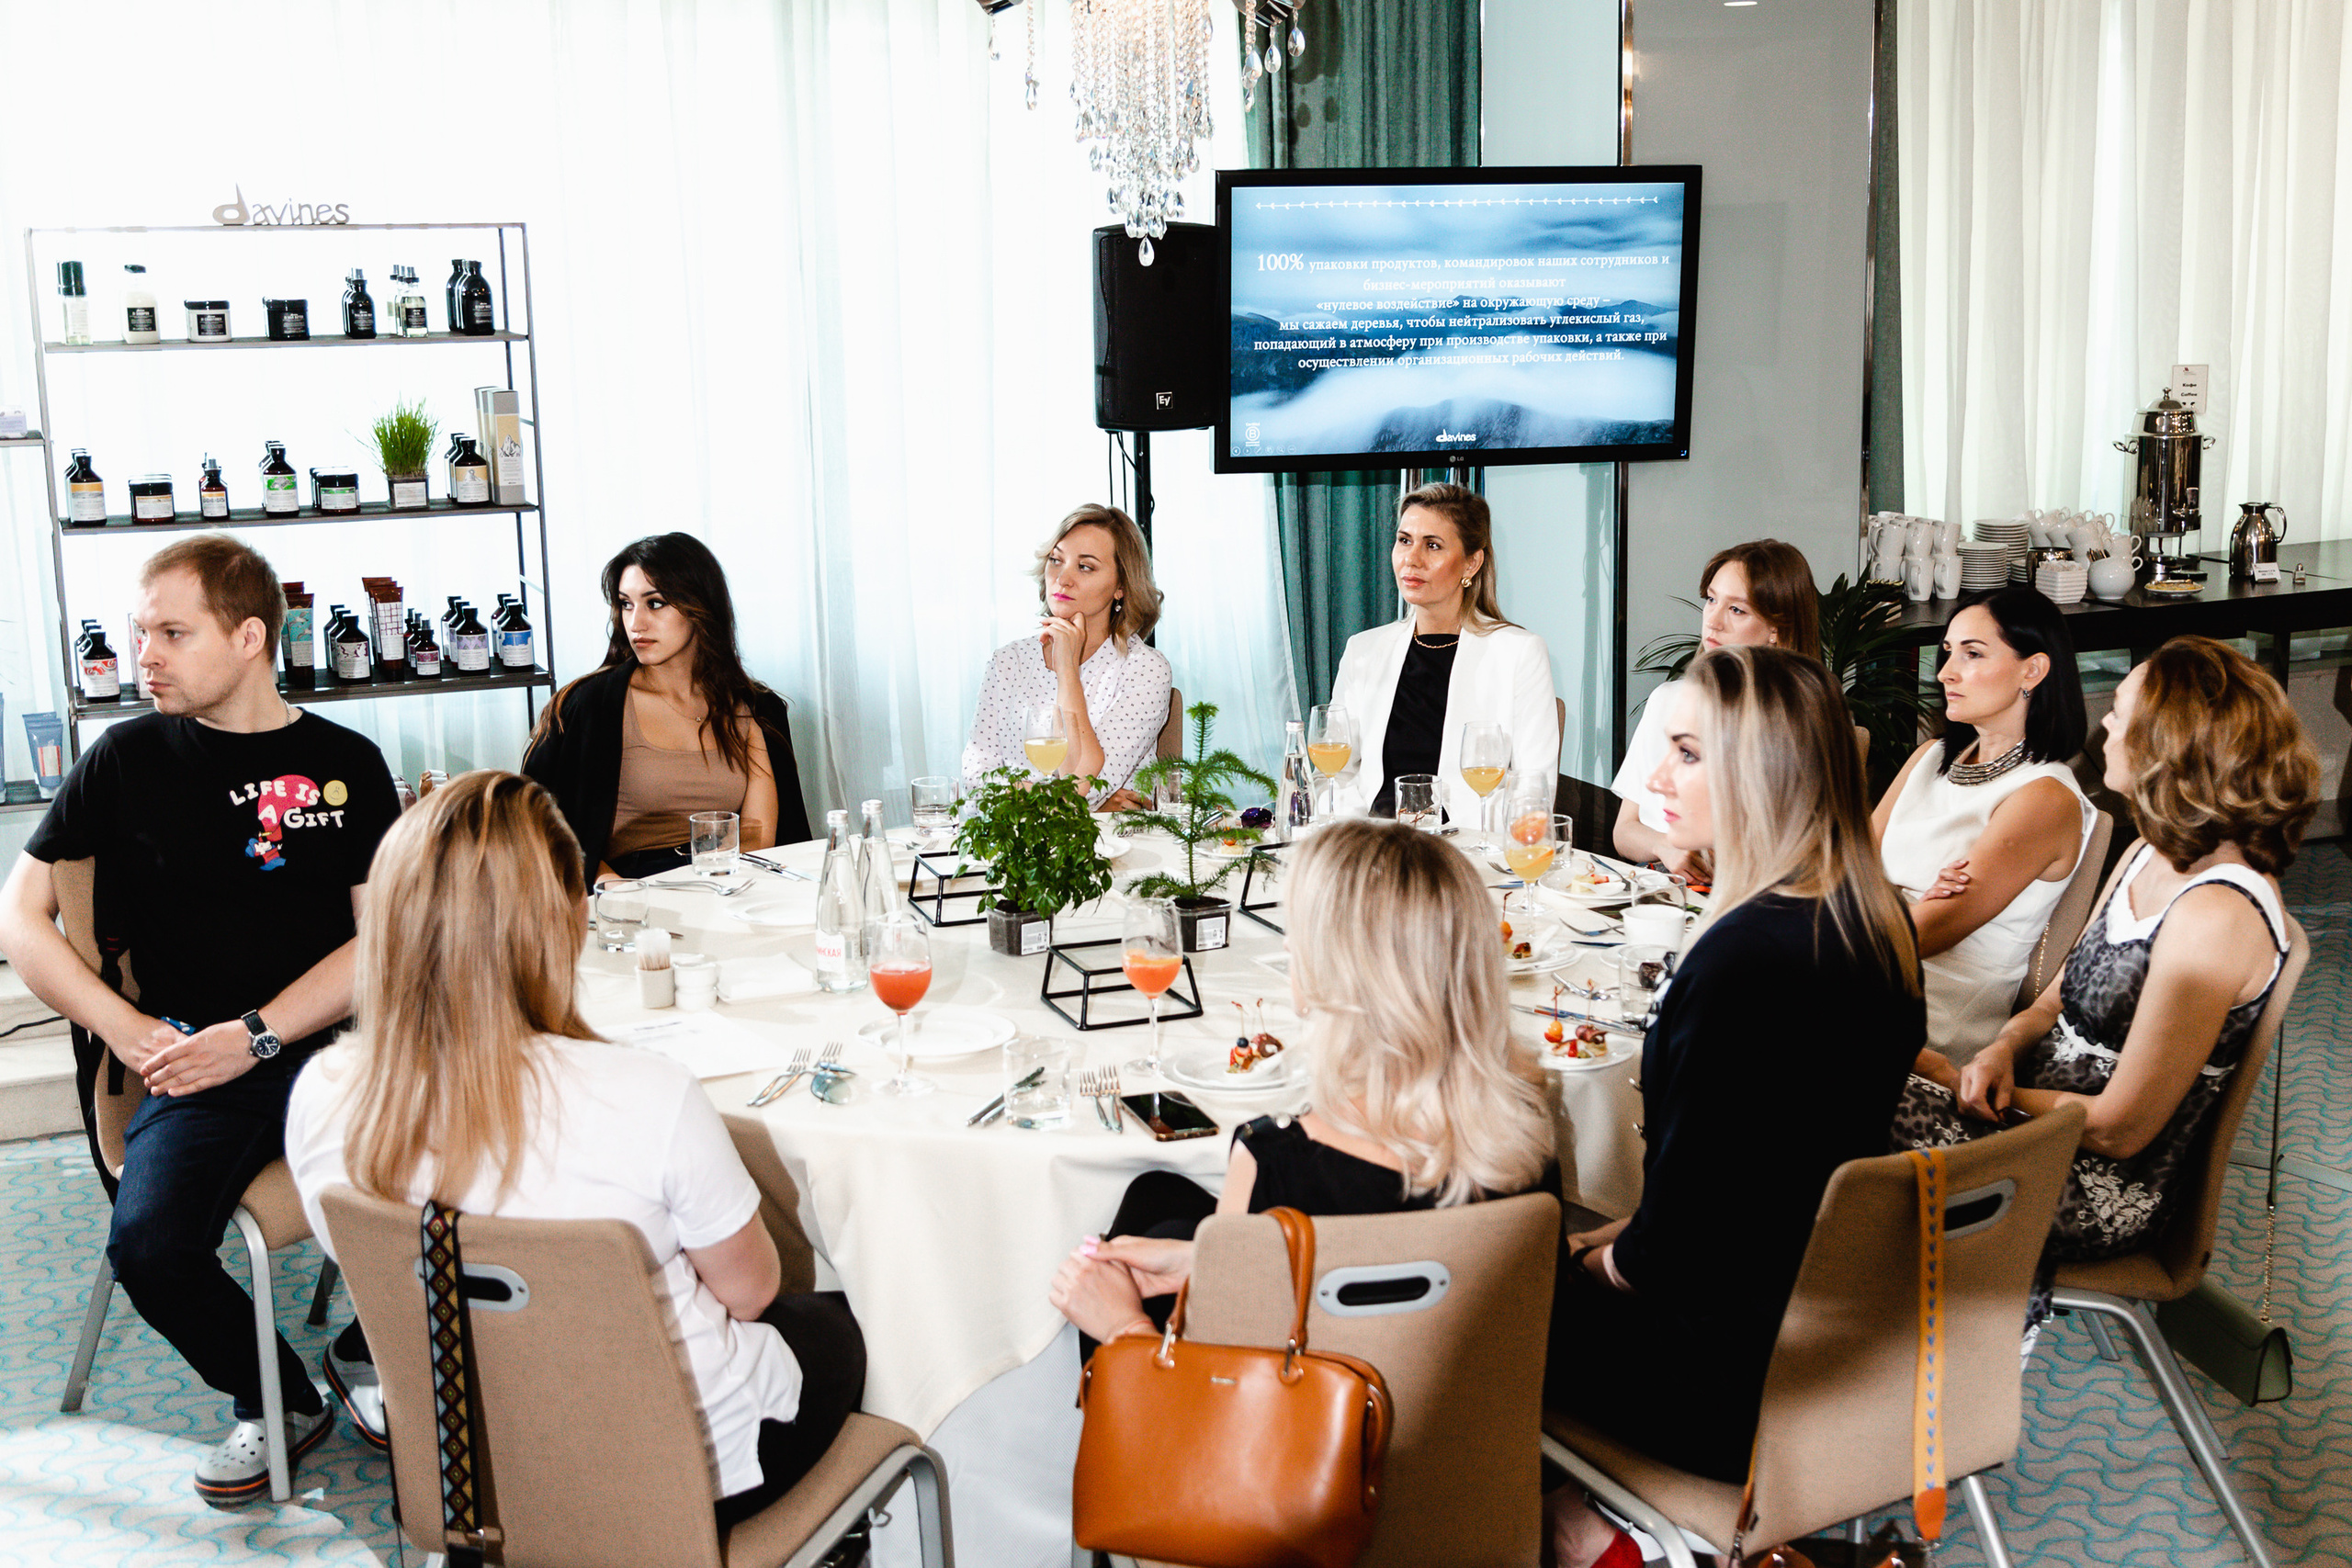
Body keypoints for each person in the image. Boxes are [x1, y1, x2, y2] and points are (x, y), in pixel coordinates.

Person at [284, 772, 867, 1542]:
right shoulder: (647, 1093)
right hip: (684, 1479)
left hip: (469, 1477)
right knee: (849, 1321)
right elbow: (751, 1292)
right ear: (565, 919)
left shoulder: (321, 1094)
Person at [0, 535, 401, 1506]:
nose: (146, 656)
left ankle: (372, 1347)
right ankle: (275, 1392)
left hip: (336, 1057)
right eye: (143, 633)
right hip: (184, 1063)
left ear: (251, 636)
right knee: (150, 1246)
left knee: (456, 1181)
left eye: (173, 633)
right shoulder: (126, 758)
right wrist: (130, 1032)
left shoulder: (345, 762)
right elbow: (21, 917)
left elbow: (378, 943)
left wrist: (256, 1033)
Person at [1544, 646, 1924, 1568]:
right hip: (1832, 1338)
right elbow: (1762, 1170)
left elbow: (1670, 1257)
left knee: (1466, 1297)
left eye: (1686, 752)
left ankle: (1585, 1537)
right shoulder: (1870, 917)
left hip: (1722, 1378)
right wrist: (1619, 1239)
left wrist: (1585, 1266)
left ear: (1759, 773)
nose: (1654, 776)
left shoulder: (1742, 961)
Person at [1894, 637, 2317, 1292]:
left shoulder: (2217, 915)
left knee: (1828, 1096)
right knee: (1824, 1071)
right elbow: (2052, 1000)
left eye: (2120, 715)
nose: (2106, 729)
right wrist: (2003, 1047)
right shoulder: (2152, 849)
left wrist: (1954, 1080)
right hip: (2026, 1119)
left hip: (2086, 1184)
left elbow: (2120, 1130)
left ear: (2168, 743)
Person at [1047, 818, 1555, 1350]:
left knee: (1115, 1269)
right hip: (1462, 1414)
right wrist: (1208, 1260)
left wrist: (1122, 1326)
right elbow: (1387, 1250)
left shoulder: (1274, 1158)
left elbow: (1221, 1382)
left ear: (1333, 973)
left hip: (1311, 1425)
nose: (1290, 949)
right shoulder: (1528, 1133)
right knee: (1157, 1199)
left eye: (1300, 934)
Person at [1871, 587, 2093, 1064]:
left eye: (1972, 654)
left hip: (1928, 1019)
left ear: (2032, 670)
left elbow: (1929, 932)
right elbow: (1844, 866)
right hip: (1865, 970)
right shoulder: (1930, 757)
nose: (1947, 672)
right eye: (1948, 652)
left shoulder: (2044, 798)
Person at [523, 533, 810, 884]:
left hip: (726, 884)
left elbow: (762, 839)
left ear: (701, 608)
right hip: (625, 892)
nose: (635, 623)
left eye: (655, 603)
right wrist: (616, 892)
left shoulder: (755, 709)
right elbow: (538, 822)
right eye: (626, 604)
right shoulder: (588, 705)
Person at [1327, 482, 1558, 822]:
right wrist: (1360, 837)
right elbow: (1334, 773)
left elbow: (1534, 792)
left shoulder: (1520, 652)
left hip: (1465, 855)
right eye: (1404, 540)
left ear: (1471, 564)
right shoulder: (1364, 649)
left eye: (1432, 545)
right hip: (1373, 846)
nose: (1411, 559)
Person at [1611, 539, 1821, 879]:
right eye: (1711, 600)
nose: (1713, 621)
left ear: (1776, 629)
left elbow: (1796, 857)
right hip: (1649, 883)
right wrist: (1666, 846)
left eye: (1736, 610)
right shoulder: (1668, 699)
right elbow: (1624, 832)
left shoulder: (1797, 725)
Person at [960, 503, 1172, 811]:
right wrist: (1076, 803)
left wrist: (1067, 669)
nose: (1062, 578)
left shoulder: (1146, 669)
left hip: (1112, 850)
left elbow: (1086, 788)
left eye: (1085, 567)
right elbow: (975, 779)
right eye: (1056, 560)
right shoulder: (1008, 661)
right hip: (1016, 843)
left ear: (1122, 587)